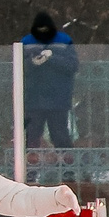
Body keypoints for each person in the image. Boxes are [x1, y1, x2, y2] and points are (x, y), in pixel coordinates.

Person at [20, 11, 79, 148]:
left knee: (60, 136)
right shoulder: (27, 42)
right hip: (33, 98)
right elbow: (18, 67)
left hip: (58, 98)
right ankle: (29, 168)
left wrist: (52, 58)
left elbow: (73, 65)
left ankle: (67, 168)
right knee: (31, 137)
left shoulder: (64, 41)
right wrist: (32, 63)